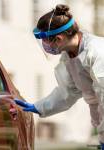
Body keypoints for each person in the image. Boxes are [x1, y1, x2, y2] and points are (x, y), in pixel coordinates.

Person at [14, 4, 104, 149]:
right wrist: (38, 107)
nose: (44, 46)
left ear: (59, 38)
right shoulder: (69, 57)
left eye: (45, 40)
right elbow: (67, 93)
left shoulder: (97, 52)